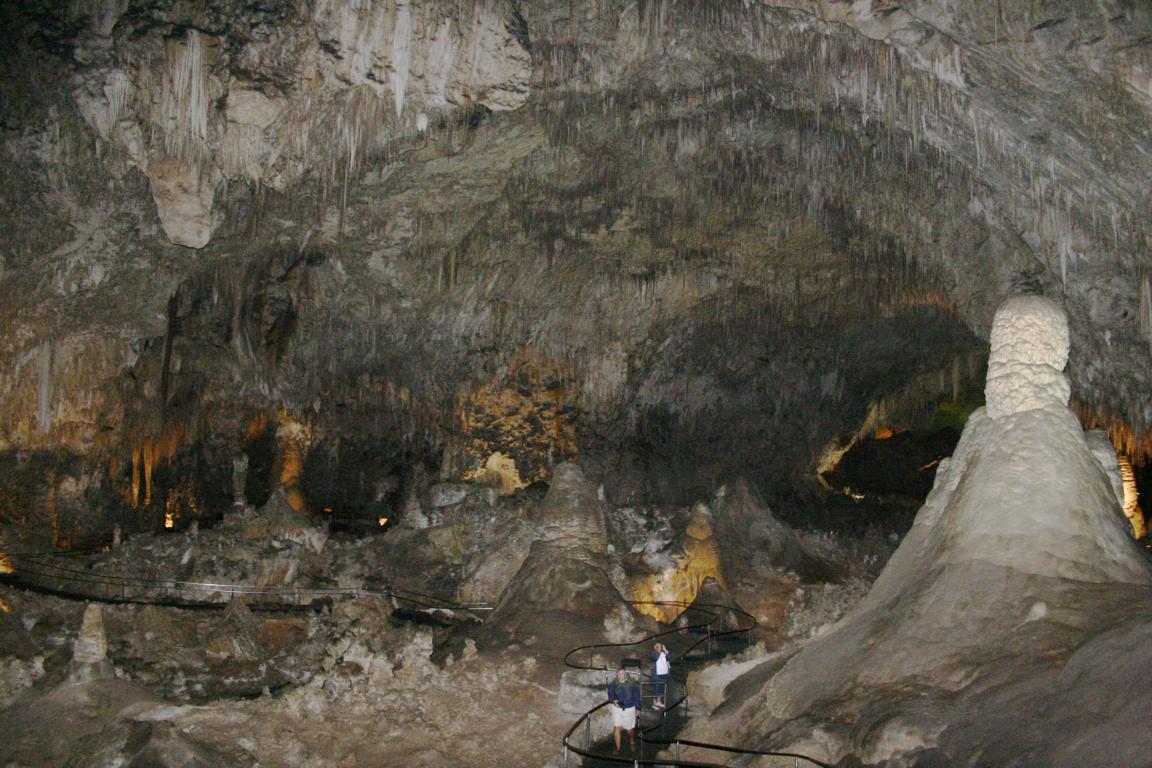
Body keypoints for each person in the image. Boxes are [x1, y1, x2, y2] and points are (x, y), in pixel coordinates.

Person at [607, 667, 639, 753]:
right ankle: (618, 748)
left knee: (630, 730)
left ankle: (632, 741)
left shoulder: (632, 683)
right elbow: (610, 694)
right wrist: (613, 700)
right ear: (616, 675)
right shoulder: (614, 683)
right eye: (620, 674)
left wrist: (638, 708)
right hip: (617, 708)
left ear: (626, 674)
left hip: (629, 708)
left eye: (623, 673)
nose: (622, 675)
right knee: (616, 728)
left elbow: (636, 696)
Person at [649, 641, 670, 709]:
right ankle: (654, 703)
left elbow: (669, 657)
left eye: (660, 646)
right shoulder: (653, 653)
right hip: (656, 675)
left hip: (664, 674)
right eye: (657, 646)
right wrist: (658, 650)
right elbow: (655, 658)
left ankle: (659, 701)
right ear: (654, 647)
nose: (659, 647)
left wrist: (665, 650)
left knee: (661, 689)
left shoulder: (663, 653)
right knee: (656, 689)